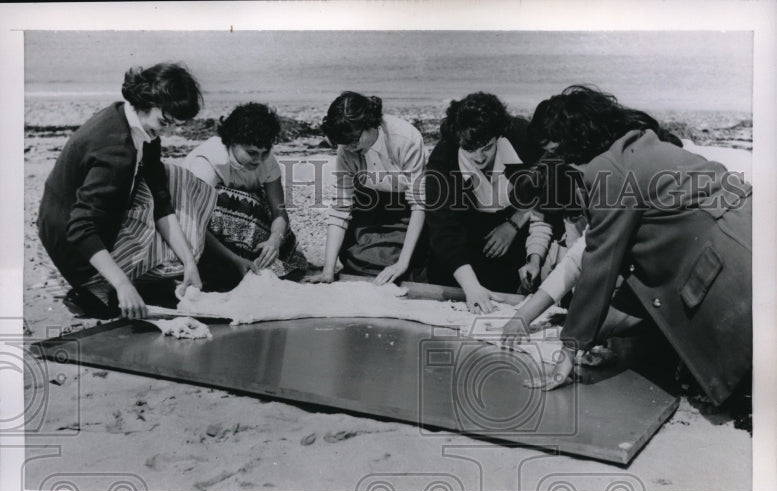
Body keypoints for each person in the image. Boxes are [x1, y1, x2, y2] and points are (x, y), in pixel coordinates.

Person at [507, 85, 751, 406]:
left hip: (729, 262)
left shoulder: (606, 170)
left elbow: (599, 262)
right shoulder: (637, 142)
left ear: (574, 141)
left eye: (558, 152)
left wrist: (569, 348)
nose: (558, 161)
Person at [38, 62, 214, 321]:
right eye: (165, 122)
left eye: (174, 124)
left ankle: (122, 275)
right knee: (172, 212)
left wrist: (189, 262)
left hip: (65, 219)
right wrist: (123, 285)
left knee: (171, 178)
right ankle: (96, 285)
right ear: (146, 100)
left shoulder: (133, 122)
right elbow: (80, 228)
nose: (168, 131)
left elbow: (161, 198)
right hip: (71, 247)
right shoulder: (116, 151)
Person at [424, 92, 555, 314]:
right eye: (470, 149)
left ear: (499, 135)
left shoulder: (523, 137)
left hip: (515, 222)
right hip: (465, 229)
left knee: (511, 294)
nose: (479, 158)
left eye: (487, 147)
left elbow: (549, 177)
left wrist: (514, 223)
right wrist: (471, 287)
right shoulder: (442, 160)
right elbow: (443, 230)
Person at [307, 91, 427, 285]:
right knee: (355, 255)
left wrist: (402, 264)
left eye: (355, 140)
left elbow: (419, 204)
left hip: (405, 205)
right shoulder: (346, 147)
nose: (351, 148)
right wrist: (327, 271)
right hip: (369, 203)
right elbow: (341, 209)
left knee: (401, 262)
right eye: (345, 144)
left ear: (371, 123)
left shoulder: (406, 139)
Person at [183, 102, 308, 286]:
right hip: (200, 233)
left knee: (282, 240)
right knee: (236, 201)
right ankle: (234, 264)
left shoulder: (267, 162)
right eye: (251, 153)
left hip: (247, 232)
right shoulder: (208, 163)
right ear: (233, 141)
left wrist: (275, 241)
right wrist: (233, 258)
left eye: (264, 153)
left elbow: (279, 212)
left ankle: (250, 263)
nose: (258, 160)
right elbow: (193, 223)